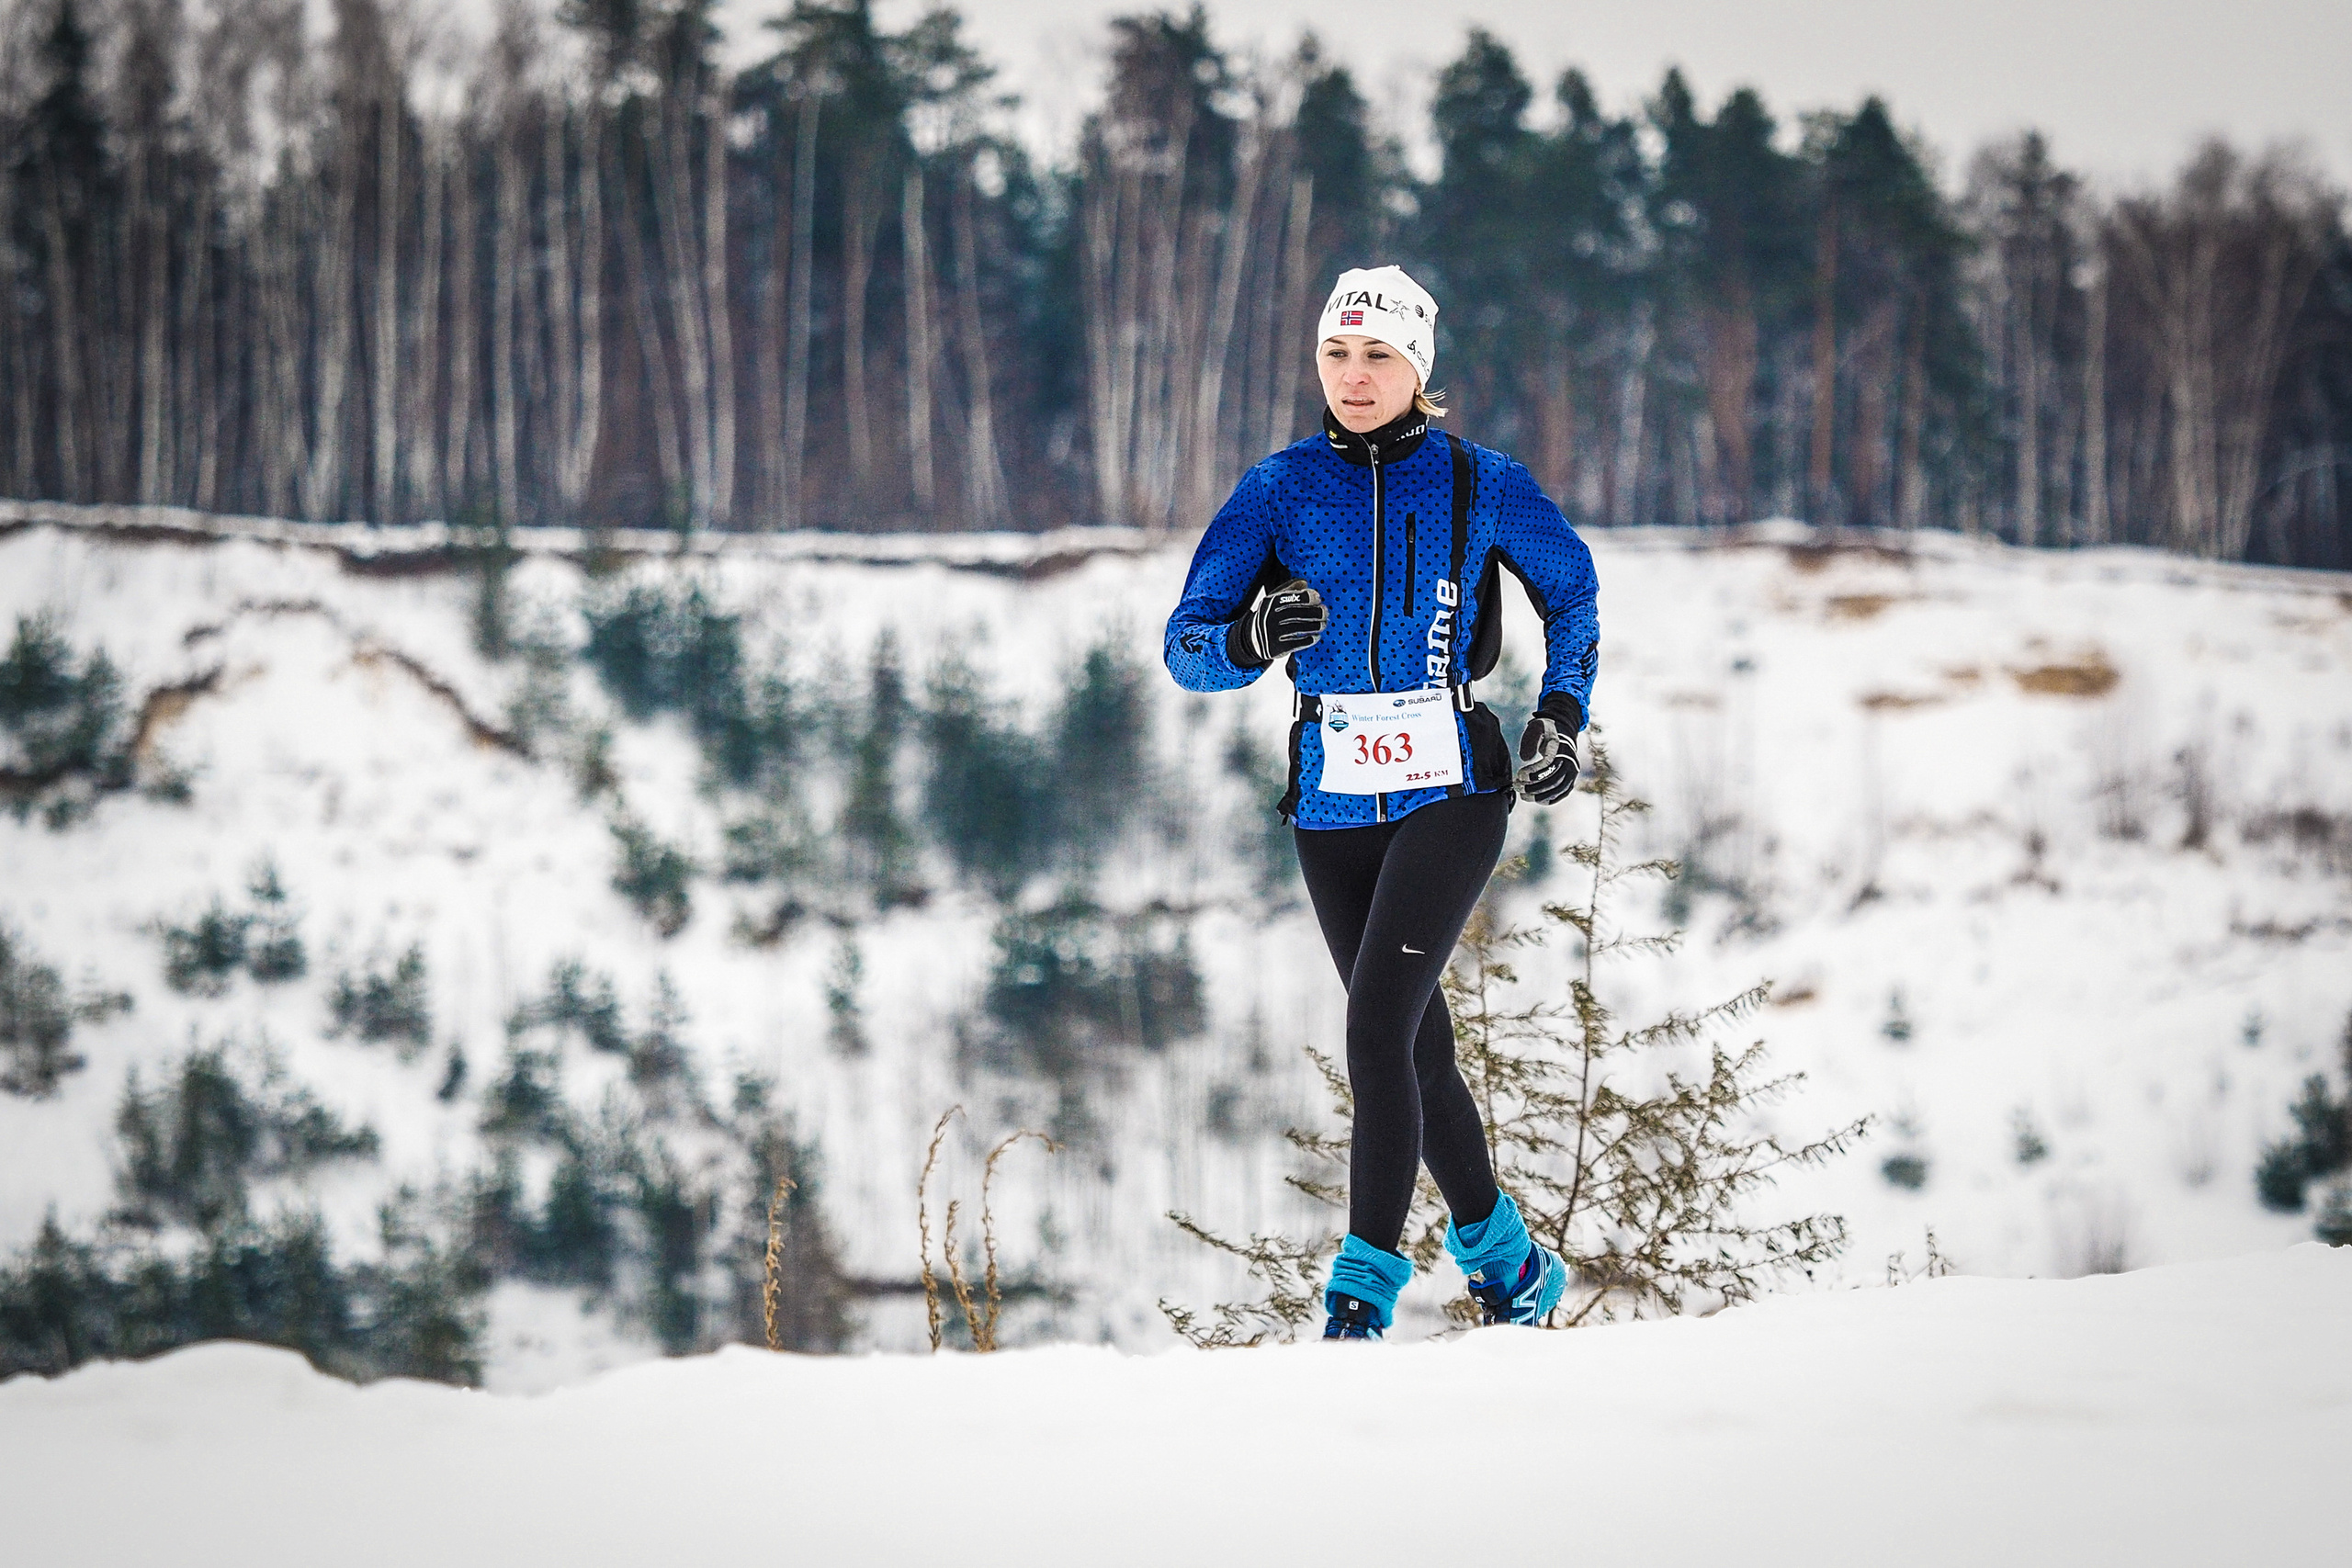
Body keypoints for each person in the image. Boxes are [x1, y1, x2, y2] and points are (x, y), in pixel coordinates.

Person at [1162, 265, 1600, 1340]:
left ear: (1419, 370)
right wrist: (1252, 641)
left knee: (1374, 1028)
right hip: (1328, 802)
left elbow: (1573, 591)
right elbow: (1186, 648)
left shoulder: (1478, 480)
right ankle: (1509, 1264)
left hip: (1452, 786)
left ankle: (1361, 1291)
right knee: (1417, 1046)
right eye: (1336, 354)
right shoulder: (1275, 490)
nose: (1354, 377)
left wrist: (1560, 715)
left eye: (1379, 356)